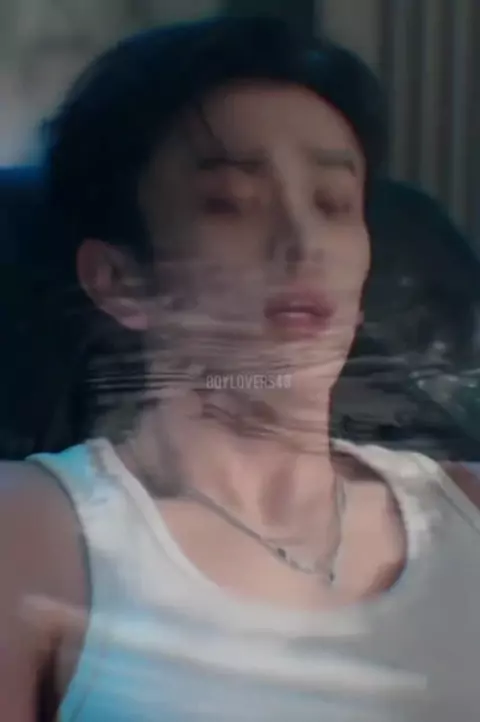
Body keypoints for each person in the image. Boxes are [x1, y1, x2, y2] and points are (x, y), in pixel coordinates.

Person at [1, 16, 479, 722]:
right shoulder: (32, 532)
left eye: (333, 204)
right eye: (231, 205)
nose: (304, 243)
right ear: (120, 280)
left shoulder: (465, 510)